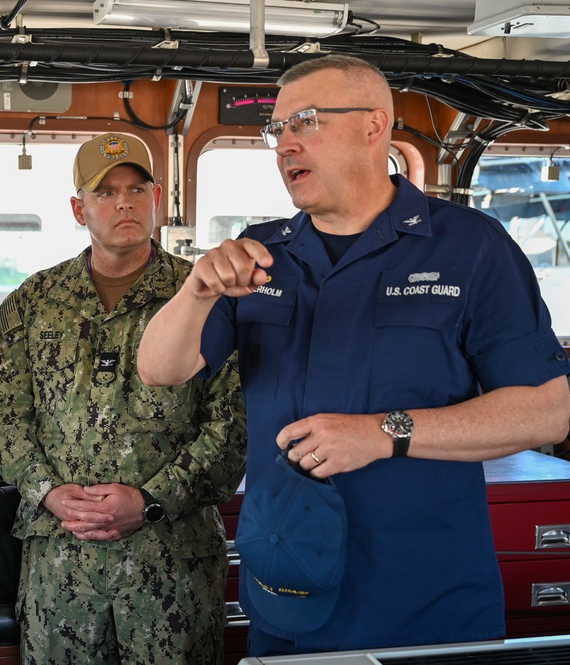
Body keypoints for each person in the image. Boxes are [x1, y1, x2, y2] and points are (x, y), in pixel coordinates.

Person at [136, 54, 570, 657]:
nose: (284, 144)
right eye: (277, 129)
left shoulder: (471, 247)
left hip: (424, 597)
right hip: (289, 585)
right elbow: (159, 370)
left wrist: (384, 433)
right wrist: (197, 291)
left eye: (305, 122)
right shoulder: (262, 252)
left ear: (374, 126)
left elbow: (547, 412)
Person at [0, 132, 247, 665]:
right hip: (61, 556)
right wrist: (48, 491)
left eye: (136, 188)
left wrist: (149, 502)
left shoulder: (204, 296)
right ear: (79, 209)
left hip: (172, 558)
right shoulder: (33, 302)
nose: (124, 202)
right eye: (105, 192)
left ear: (157, 197)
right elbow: (4, 414)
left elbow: (232, 427)